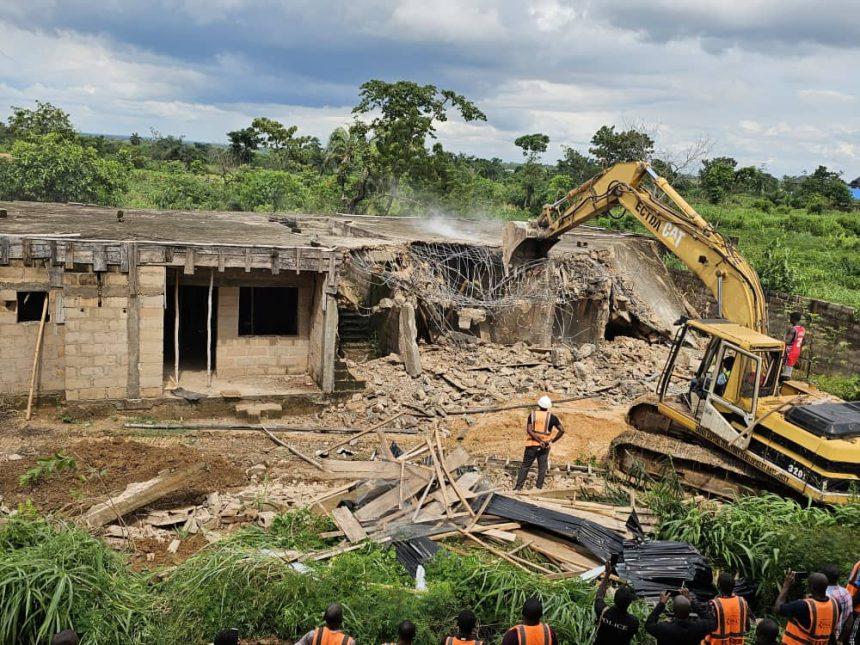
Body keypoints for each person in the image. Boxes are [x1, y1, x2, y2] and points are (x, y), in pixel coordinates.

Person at [513, 396, 564, 491]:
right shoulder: (552, 417)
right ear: (548, 406)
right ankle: (538, 488)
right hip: (545, 446)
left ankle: (518, 487)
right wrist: (552, 441)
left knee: (525, 466)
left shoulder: (532, 415)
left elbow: (529, 430)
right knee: (542, 468)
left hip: (532, 445)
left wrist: (539, 440)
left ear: (539, 404)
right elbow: (562, 430)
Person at [774, 571, 838, 645]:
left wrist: (786, 586)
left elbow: (778, 608)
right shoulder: (835, 604)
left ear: (812, 588)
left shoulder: (803, 606)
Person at [645, 588, 716, 645]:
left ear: (674, 611)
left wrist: (661, 604)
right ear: (689, 611)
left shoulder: (664, 629)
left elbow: (648, 624)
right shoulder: (698, 627)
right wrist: (691, 601)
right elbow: (711, 620)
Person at [593, 560, 639, 645]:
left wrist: (607, 575)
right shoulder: (633, 622)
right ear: (629, 603)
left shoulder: (603, 611)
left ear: (614, 599)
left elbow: (599, 595)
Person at [704, 571, 751, 644]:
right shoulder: (742, 602)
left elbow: (707, 628)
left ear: (718, 585)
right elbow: (748, 628)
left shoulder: (713, 604)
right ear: (734, 586)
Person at [825, 564, 854, 638]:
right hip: (838, 636)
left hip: (824, 638)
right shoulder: (846, 593)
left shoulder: (823, 595)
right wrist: (840, 640)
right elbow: (849, 620)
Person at [782, 312, 805, 380]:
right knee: (789, 370)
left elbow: (788, 341)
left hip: (790, 351)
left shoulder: (793, 329)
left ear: (794, 319)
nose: (789, 319)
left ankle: (783, 386)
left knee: (785, 374)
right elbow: (803, 342)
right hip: (797, 351)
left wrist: (778, 341)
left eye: (790, 318)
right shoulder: (802, 329)